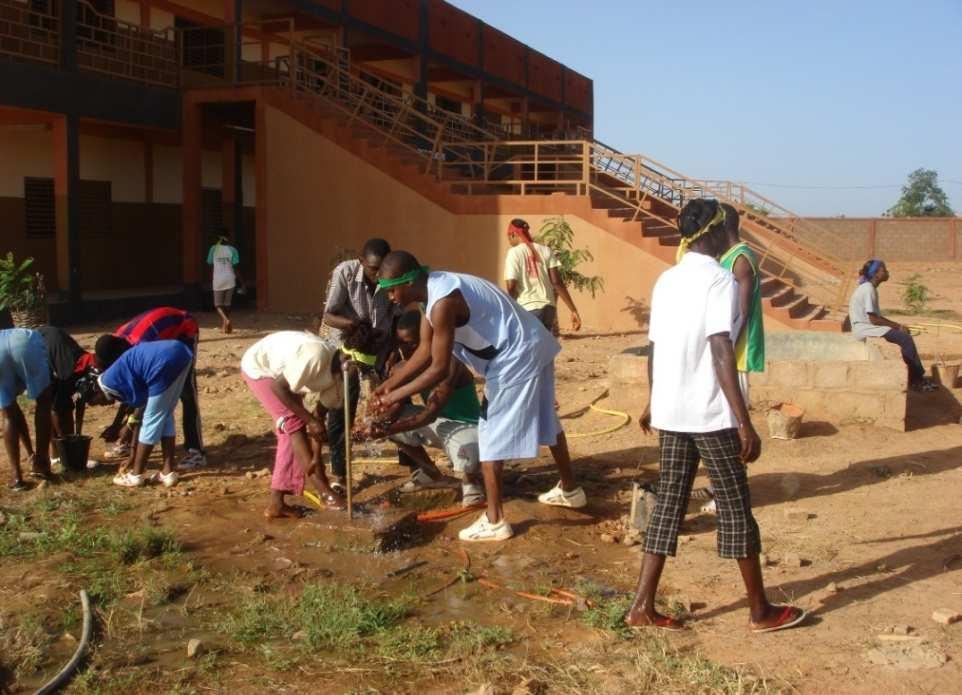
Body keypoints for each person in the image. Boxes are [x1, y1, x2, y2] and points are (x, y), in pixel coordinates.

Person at [626, 198, 806, 633]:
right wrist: (744, 421)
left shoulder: (666, 280)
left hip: (671, 412)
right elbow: (721, 348)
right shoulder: (719, 281)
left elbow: (654, 347)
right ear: (715, 229)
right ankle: (760, 611)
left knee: (668, 504)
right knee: (735, 506)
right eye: (727, 225)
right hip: (709, 414)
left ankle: (641, 607)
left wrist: (654, 400)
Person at [370, 251, 587, 542]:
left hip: (515, 355)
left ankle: (495, 520)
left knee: (490, 435)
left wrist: (394, 395)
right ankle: (571, 489)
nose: (391, 297)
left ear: (408, 281)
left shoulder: (442, 303)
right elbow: (423, 349)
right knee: (547, 418)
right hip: (531, 343)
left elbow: (437, 368)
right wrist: (388, 386)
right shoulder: (431, 292)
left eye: (392, 289)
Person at [357, 309, 484, 506]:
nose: (405, 349)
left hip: (468, 427)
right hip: (440, 425)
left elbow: (429, 415)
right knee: (390, 421)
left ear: (428, 339)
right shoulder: (402, 368)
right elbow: (395, 407)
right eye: (401, 343)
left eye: (411, 343)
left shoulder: (450, 364)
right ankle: (431, 473)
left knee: (466, 446)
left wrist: (388, 429)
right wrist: (374, 424)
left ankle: (471, 482)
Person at [695, 205, 766, 514]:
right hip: (725, 356)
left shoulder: (740, 260)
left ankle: (731, 491)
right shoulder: (727, 259)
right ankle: (719, 483)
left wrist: (722, 355)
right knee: (719, 423)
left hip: (735, 356)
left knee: (734, 423)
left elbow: (741, 314)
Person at [241, 330, 348, 518]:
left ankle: (277, 504)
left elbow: (318, 423)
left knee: (291, 429)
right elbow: (278, 388)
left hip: (286, 374)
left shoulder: (341, 382)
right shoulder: (315, 357)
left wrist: (316, 457)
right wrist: (311, 421)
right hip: (261, 369)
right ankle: (324, 493)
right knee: (295, 423)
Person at [321, 238, 399, 492]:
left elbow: (398, 316)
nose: (378, 276)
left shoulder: (392, 274)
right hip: (350, 345)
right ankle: (340, 476)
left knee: (394, 402)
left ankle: (414, 466)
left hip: (380, 346)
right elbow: (329, 315)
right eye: (373, 270)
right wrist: (355, 327)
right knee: (342, 408)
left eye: (382, 270)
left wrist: (393, 351)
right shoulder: (344, 273)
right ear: (361, 262)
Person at [94, 307, 205, 469]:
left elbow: (145, 395)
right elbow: (133, 392)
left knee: (186, 392)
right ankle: (128, 440)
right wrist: (118, 424)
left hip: (184, 331)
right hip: (161, 337)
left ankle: (196, 451)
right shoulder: (117, 342)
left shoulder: (143, 345)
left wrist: (128, 427)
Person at [85, 340, 194, 489]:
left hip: (162, 363)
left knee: (152, 419)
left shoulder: (110, 383)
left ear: (96, 392)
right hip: (182, 353)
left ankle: (137, 475)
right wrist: (132, 454)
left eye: (96, 402)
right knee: (166, 415)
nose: (101, 405)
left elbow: (141, 416)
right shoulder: (111, 380)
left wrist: (133, 456)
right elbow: (137, 414)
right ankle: (168, 473)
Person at [849, 260, 935, 392]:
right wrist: (898, 327)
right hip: (865, 328)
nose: (887, 272)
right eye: (884, 270)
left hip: (868, 326)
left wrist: (897, 326)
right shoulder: (868, 289)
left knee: (903, 336)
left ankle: (916, 377)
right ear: (876, 274)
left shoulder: (868, 288)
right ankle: (916, 379)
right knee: (905, 339)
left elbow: (875, 317)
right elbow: (873, 319)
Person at [504, 219, 581, 333]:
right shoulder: (546, 250)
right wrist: (573, 310)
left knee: (530, 348)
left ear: (513, 234)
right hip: (549, 309)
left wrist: (512, 304)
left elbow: (511, 285)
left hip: (528, 308)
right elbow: (557, 282)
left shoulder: (513, 252)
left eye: (509, 237)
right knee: (543, 348)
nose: (509, 241)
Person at [35, 326, 97, 464]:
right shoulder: (71, 372)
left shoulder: (86, 372)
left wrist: (78, 435)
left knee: (60, 405)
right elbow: (56, 408)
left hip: (50, 344)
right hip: (41, 349)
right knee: (56, 407)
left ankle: (60, 452)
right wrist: (71, 443)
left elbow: (79, 403)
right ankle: (64, 453)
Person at [0, 328, 53, 489]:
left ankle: (17, 477)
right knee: (44, 403)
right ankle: (41, 464)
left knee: (9, 414)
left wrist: (30, 451)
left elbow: (14, 414)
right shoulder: (33, 335)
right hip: (24, 342)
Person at [207, 228, 244, 334]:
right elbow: (235, 267)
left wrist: (211, 278)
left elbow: (210, 264)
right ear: (228, 238)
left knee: (218, 305)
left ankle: (226, 321)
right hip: (230, 278)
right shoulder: (233, 250)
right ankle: (225, 327)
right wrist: (243, 282)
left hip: (218, 279)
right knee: (227, 304)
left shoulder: (213, 249)